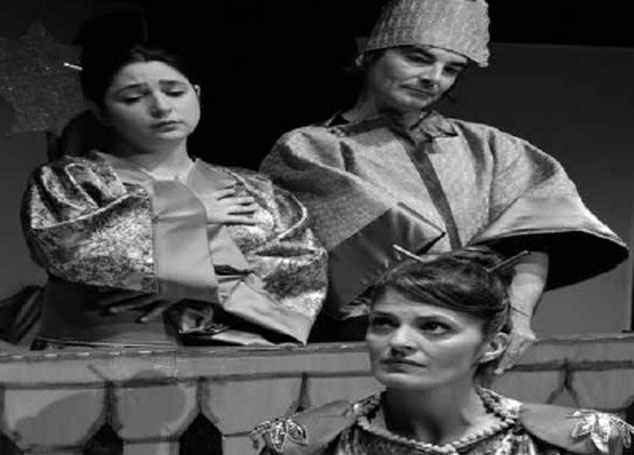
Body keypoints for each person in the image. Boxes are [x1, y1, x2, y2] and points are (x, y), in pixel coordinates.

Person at [259, 0, 628, 370]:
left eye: (451, 69)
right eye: (417, 58)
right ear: (369, 55)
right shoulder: (310, 148)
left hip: (479, 340)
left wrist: (518, 318)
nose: (433, 78)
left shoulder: (492, 147)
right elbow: (353, 263)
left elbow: (535, 237)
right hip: (376, 344)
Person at [20, 40, 327, 348]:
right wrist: (189, 213)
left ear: (198, 95)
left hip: (236, 355)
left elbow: (301, 269)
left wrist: (203, 289)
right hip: (100, 352)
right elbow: (72, 250)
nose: (161, 107)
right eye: (133, 98)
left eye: (175, 92)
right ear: (100, 111)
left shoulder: (255, 190)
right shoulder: (70, 181)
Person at [251, 247, 634, 455]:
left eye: (433, 327)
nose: (398, 342)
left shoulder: (580, 442)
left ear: (492, 346)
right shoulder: (307, 443)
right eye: (383, 323)